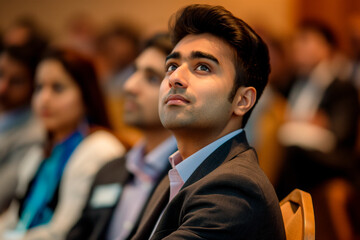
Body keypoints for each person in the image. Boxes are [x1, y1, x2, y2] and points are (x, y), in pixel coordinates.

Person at [131, 4, 285, 240]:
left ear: (242, 100)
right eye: (171, 66)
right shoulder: (180, 172)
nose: (175, 78)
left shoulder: (235, 190)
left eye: (203, 67)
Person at [0, 48, 125, 240]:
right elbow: (15, 218)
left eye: (57, 88)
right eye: (39, 88)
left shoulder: (100, 148)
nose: (45, 98)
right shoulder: (40, 152)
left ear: (85, 96)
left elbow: (64, 231)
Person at [66, 33, 177, 240]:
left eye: (152, 78)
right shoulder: (110, 169)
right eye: (134, 72)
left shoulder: (186, 178)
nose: (129, 86)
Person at [0, 45, 45, 214]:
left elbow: (2, 195)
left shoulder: (32, 135)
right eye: (0, 74)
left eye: (16, 81)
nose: (3, 88)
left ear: (34, 87)